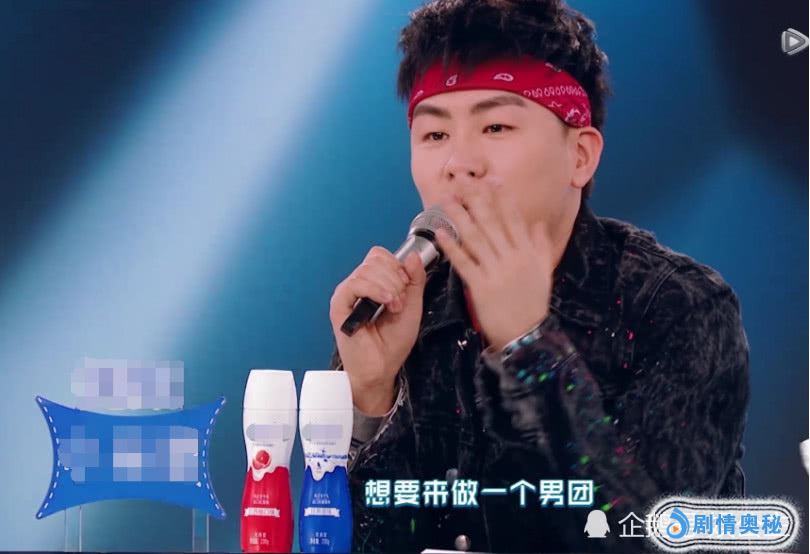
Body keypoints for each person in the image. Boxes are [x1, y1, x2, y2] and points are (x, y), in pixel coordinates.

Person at [327, 0, 750, 551]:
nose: (459, 163)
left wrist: (531, 351)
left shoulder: (681, 308)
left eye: (495, 126)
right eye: (434, 135)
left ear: (580, 156)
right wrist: (369, 398)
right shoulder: (404, 310)